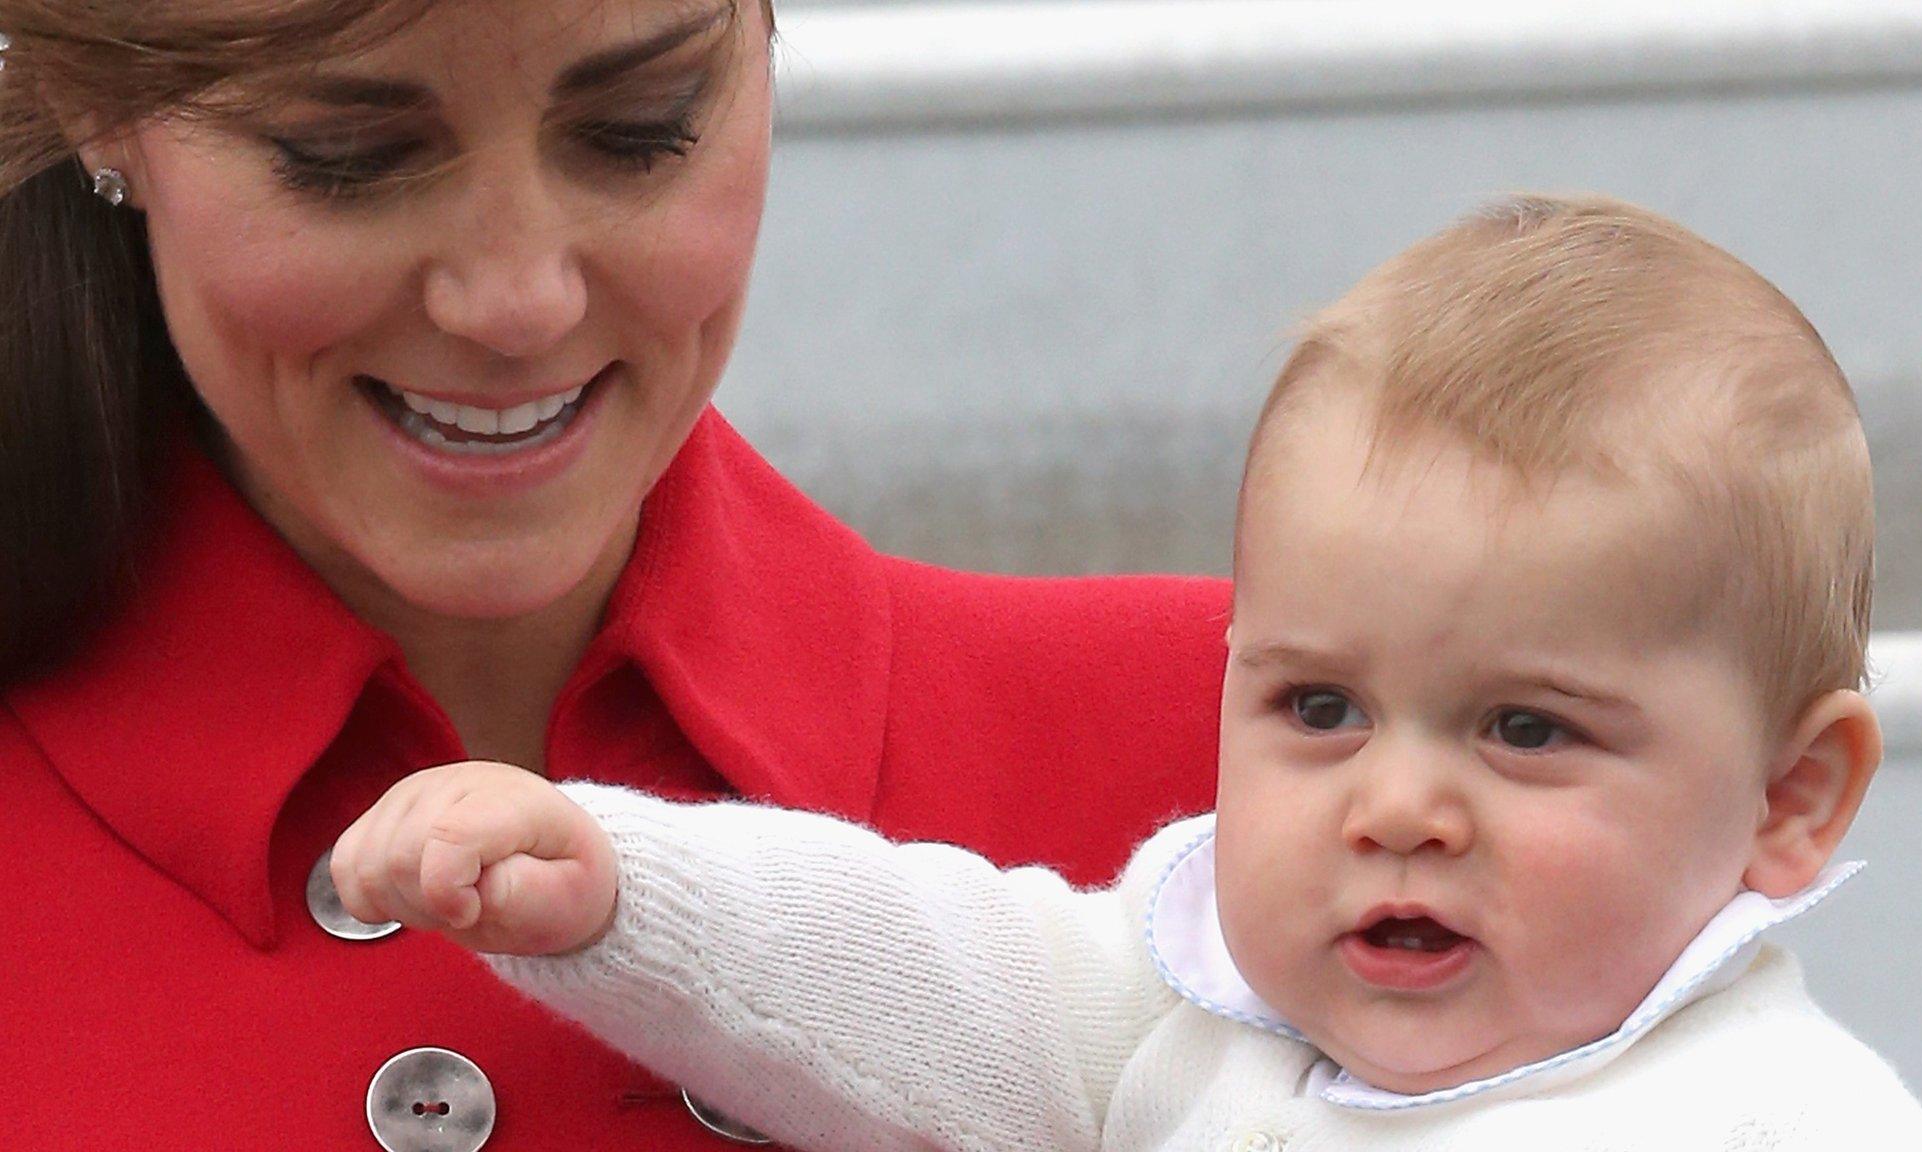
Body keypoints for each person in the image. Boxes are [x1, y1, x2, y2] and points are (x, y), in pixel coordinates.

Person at [335, 196, 1922, 1150]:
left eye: (1522, 729)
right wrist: (623, 888)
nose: (1396, 802)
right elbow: (931, 969)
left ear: (1785, 798)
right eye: (1317, 708)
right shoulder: (1207, 1004)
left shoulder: (1775, 1116)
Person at [0, 1, 1228, 1148]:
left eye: (637, 132)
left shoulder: (1268, 759)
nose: (519, 301)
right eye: (349, 154)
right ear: (84, 91)